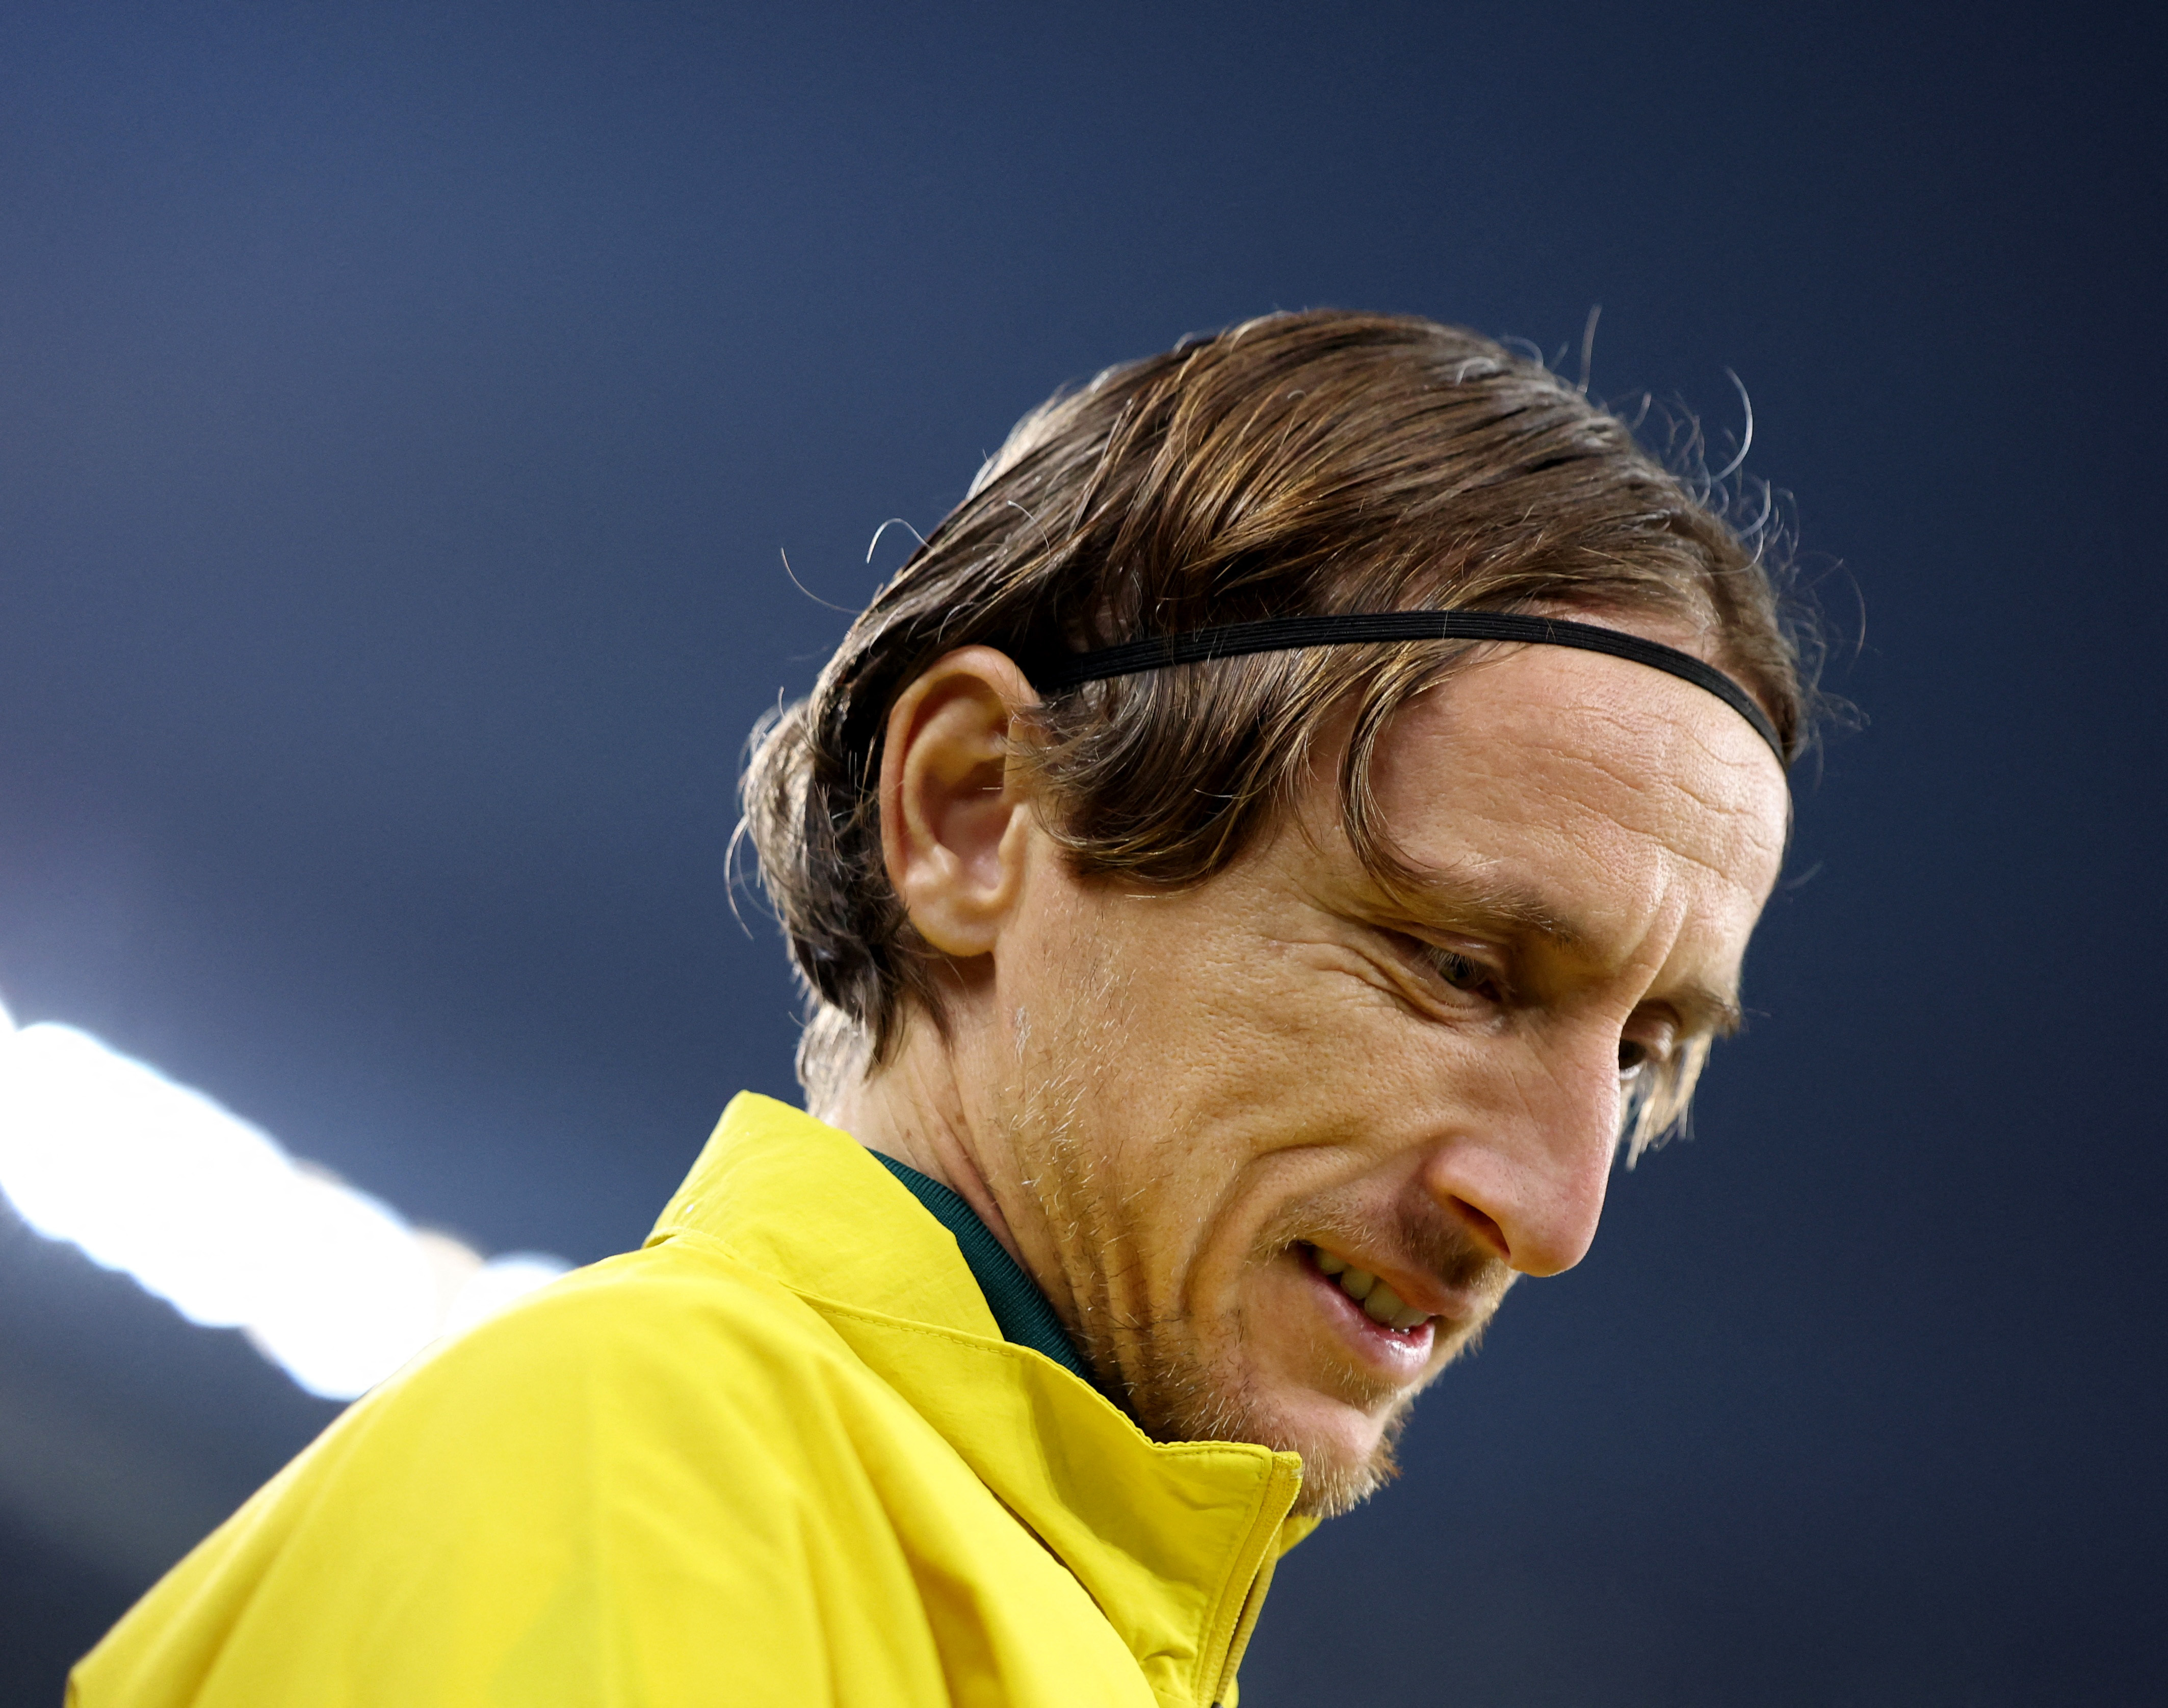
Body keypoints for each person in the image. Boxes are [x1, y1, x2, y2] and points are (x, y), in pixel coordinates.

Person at [71, 310, 1808, 1707]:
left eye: (1646, 1047)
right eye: (1460, 967)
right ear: (977, 812)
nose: (1557, 1212)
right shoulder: (638, 1467)